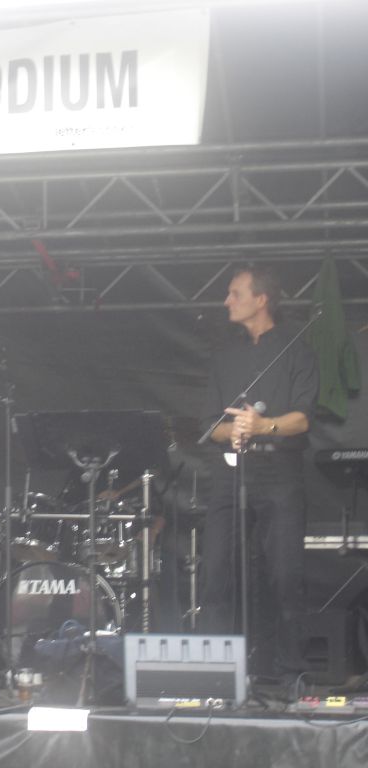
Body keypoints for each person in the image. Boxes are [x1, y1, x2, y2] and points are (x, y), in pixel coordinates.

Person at [200, 265, 318, 680]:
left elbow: (303, 418)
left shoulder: (297, 348)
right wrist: (233, 430)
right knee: (215, 573)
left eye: (235, 293)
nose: (227, 301)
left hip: (280, 472)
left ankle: (290, 675)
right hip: (231, 474)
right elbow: (210, 425)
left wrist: (262, 426)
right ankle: (215, 674)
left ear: (261, 299)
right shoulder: (223, 356)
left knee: (285, 576)